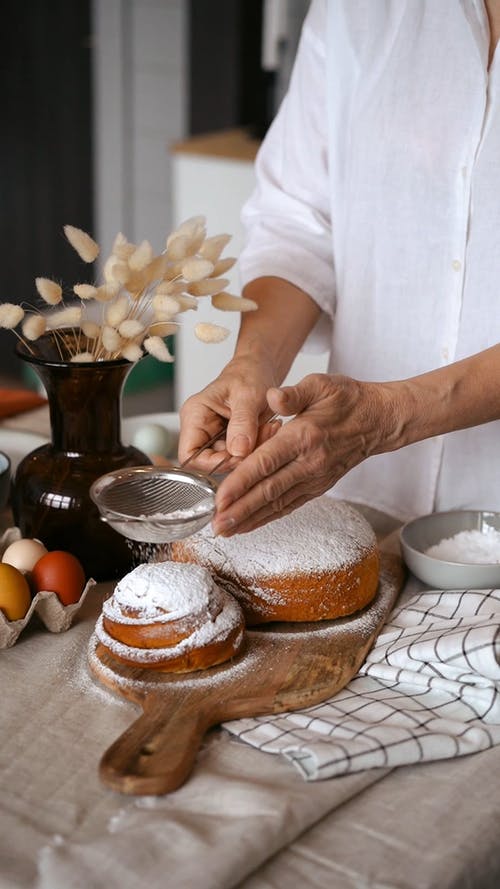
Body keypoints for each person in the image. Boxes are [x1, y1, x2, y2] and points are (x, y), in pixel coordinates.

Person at [178, 0, 500, 538]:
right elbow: (298, 221)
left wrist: (391, 416)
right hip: (361, 501)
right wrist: (253, 365)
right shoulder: (358, 9)